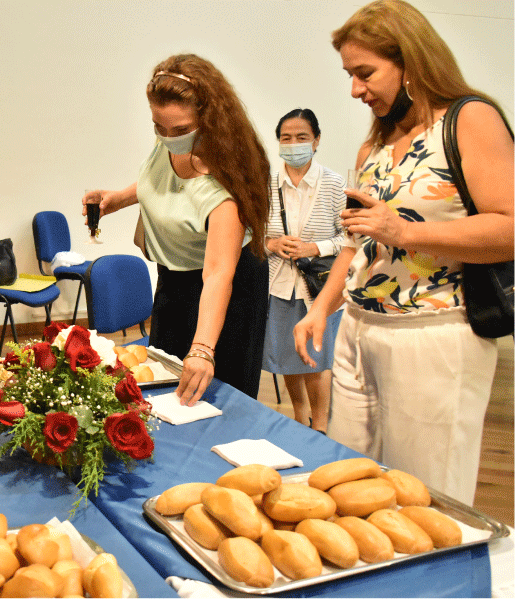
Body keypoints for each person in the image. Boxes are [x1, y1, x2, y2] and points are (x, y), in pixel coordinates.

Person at [293, 0, 514, 505]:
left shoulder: (468, 119)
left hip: (433, 337)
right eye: (349, 74)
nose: (355, 89)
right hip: (356, 331)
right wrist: (321, 308)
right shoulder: (375, 144)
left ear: (411, 62)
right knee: (353, 490)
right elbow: (357, 241)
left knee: (423, 498)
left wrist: (405, 231)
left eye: (365, 73)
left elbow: (510, 228)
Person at [83, 54, 271, 406]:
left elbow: (218, 275)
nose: (169, 138)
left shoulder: (225, 182)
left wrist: (202, 349)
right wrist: (119, 198)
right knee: (163, 381)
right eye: (159, 127)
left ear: (209, 117)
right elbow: (159, 180)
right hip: (174, 276)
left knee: (211, 393)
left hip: (225, 290)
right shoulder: (170, 138)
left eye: (181, 130)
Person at [262, 109, 345, 434]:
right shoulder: (266, 184)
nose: (293, 144)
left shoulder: (335, 184)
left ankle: (320, 425)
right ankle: (298, 417)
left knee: (317, 359)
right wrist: (272, 244)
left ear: (317, 140)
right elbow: (248, 233)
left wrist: (316, 248)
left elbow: (351, 237)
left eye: (301, 138)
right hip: (278, 284)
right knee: (285, 356)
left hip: (322, 287)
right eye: (286, 138)